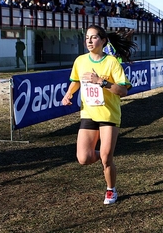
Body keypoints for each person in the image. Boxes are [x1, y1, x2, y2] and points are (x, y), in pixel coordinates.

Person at [61, 25, 134, 205]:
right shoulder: (80, 61)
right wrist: (68, 93)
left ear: (103, 41)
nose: (89, 41)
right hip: (88, 113)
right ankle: (103, 154)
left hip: (108, 115)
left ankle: (111, 190)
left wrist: (101, 82)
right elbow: (76, 81)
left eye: (93, 38)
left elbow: (123, 90)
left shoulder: (112, 62)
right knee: (83, 158)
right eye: (87, 38)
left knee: (107, 159)